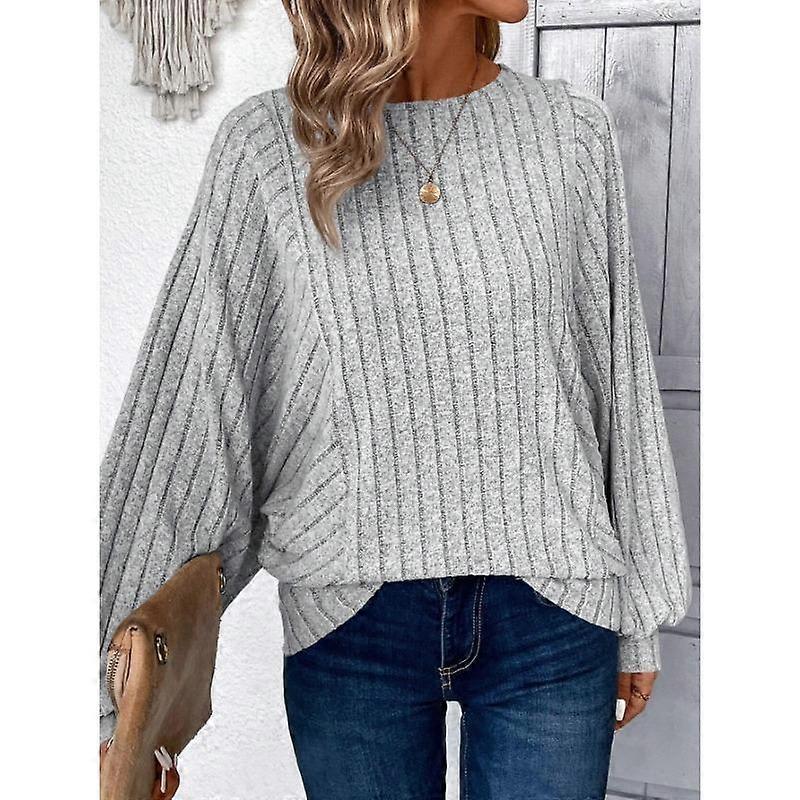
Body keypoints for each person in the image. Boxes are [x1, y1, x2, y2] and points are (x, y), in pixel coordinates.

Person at [99, 1, 693, 797]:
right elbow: (193, 403)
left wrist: (639, 614)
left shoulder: (569, 132)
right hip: (351, 623)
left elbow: (613, 375)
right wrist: (112, 698)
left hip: (554, 614)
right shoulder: (269, 147)